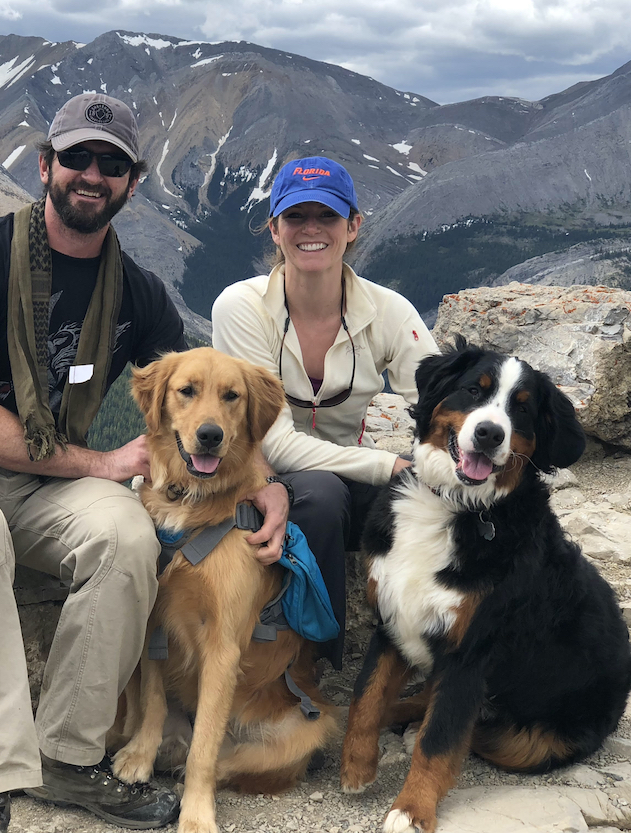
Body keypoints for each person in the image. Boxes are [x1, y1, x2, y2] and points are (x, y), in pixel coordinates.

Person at [0, 93, 188, 833]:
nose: (92, 173)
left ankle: (66, 757)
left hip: (48, 476)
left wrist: (266, 488)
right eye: (77, 157)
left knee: (126, 540)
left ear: (131, 182)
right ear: (45, 165)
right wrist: (107, 461)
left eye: (110, 163)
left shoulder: (142, 297)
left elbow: (199, 403)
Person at [211, 156, 439, 670]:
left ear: (353, 227)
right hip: (252, 477)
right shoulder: (240, 307)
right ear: (274, 229)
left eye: (328, 217)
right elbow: (276, 445)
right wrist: (392, 466)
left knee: (434, 495)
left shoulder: (390, 312)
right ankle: (309, 667)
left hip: (339, 478)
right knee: (323, 493)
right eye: (295, 217)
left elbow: (440, 399)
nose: (311, 229)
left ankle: (437, 651)